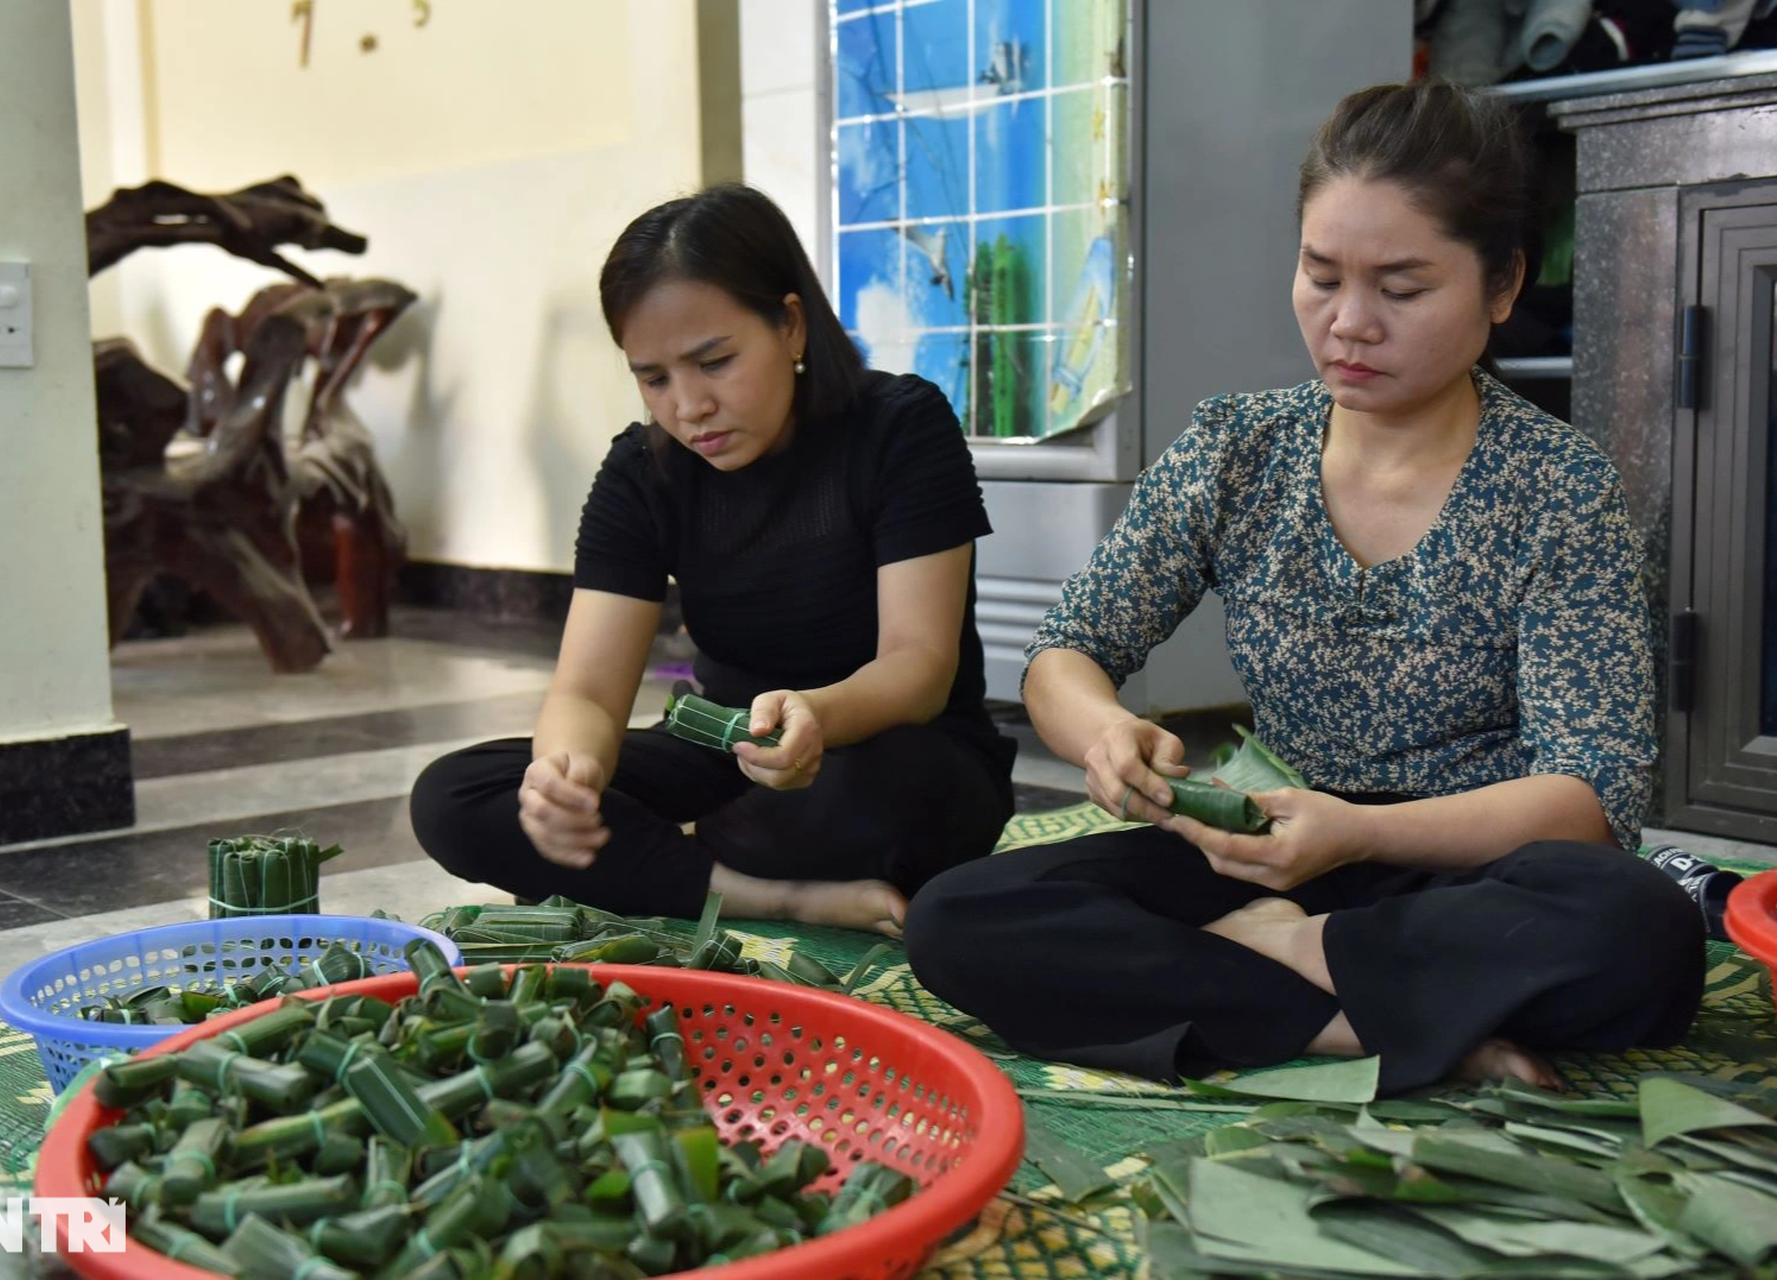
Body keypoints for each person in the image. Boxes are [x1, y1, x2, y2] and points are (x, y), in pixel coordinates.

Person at [903, 81, 1705, 1095]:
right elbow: (1070, 649)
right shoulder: (1239, 447)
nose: (1348, 323)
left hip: (1465, 867)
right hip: (1265, 842)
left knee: (1642, 926)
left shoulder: (1559, 487)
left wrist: (1363, 830)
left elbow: (1590, 796)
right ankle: (1386, 1020)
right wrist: (1103, 733)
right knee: (958, 915)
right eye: (1321, 275)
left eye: (1401, 288)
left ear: (1502, 285)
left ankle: (1274, 969)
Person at [410, 184, 1016, 938]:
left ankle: (670, 866)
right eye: (653, 377)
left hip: (881, 750)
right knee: (456, 795)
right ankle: (760, 893)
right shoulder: (641, 473)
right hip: (720, 747)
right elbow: (589, 692)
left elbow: (919, 667)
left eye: (714, 362)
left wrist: (815, 717)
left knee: (886, 798)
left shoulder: (900, 428)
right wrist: (567, 775)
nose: (687, 405)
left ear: (791, 326)